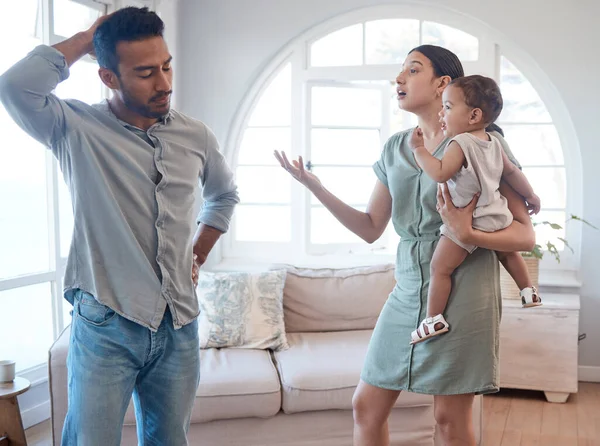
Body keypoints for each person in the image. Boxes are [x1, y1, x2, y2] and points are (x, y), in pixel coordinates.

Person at [0, 7, 238, 446]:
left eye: (167, 66)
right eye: (146, 73)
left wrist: (198, 253)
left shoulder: (196, 135)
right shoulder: (73, 127)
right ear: (108, 77)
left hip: (179, 324)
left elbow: (223, 196)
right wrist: (86, 38)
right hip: (105, 321)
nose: (164, 83)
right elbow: (15, 85)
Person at [274, 44, 535, 446]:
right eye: (400, 71)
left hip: (466, 287)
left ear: (442, 84)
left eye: (412, 70)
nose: (399, 79)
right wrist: (316, 188)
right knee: (367, 405)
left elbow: (524, 234)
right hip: (408, 288)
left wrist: (469, 236)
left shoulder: (483, 142)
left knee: (449, 418)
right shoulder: (397, 147)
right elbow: (369, 227)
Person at [407, 74, 542, 345]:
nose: (441, 114)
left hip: (468, 222)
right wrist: (532, 196)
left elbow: (440, 172)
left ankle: (433, 319)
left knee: (440, 269)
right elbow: (512, 172)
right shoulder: (492, 142)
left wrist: (419, 150)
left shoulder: (461, 143)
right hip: (496, 215)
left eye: (447, 107)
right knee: (509, 253)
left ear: (473, 115)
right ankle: (528, 290)